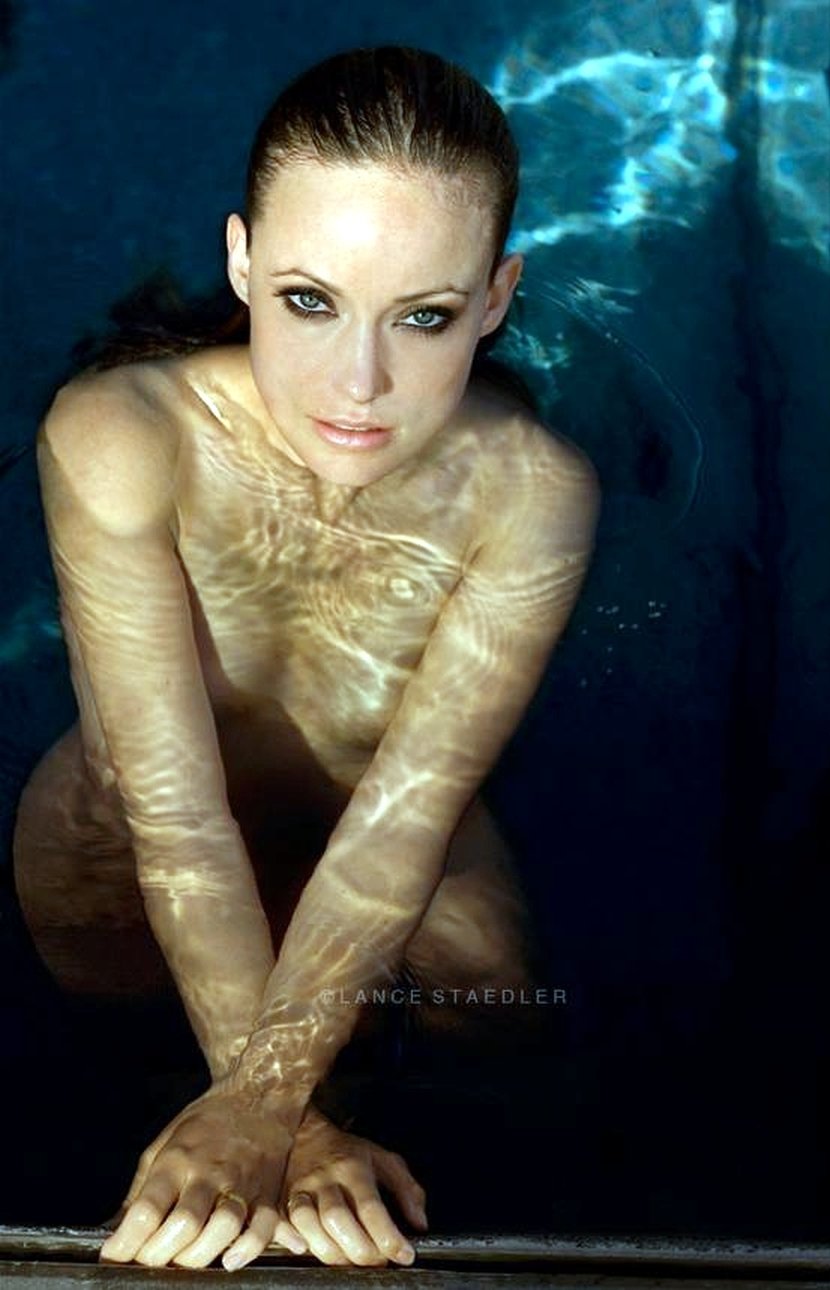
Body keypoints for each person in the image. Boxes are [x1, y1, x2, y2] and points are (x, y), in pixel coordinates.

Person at [12, 45, 601, 1271]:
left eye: (425, 317)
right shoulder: (122, 435)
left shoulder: (530, 490)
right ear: (241, 262)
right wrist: (288, 1114)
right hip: (125, 829)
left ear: (496, 297)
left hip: (379, 819)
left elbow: (407, 814)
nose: (358, 384)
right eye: (308, 301)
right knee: (107, 1040)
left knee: (501, 1010)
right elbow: (172, 812)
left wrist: (263, 1107)